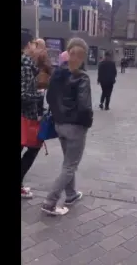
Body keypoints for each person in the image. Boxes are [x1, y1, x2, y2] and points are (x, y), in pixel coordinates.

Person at [42, 37, 93, 216]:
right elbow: (85, 106)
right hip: (76, 127)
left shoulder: (57, 73)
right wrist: (87, 123)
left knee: (67, 162)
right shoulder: (82, 77)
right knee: (70, 165)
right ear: (84, 56)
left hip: (59, 125)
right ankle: (50, 201)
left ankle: (71, 194)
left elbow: (49, 98)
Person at [20, 37, 45, 199]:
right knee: (34, 147)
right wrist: (38, 95)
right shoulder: (26, 66)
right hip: (25, 116)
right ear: (28, 45)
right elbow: (22, 95)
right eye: (34, 44)